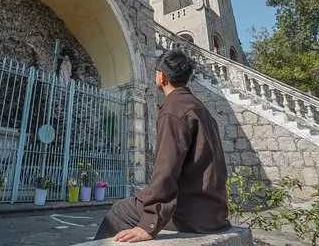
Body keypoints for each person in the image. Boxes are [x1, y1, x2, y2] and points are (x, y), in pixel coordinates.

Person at [94, 49, 230, 242]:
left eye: (157, 71)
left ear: (162, 76)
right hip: (212, 210)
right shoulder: (200, 108)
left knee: (120, 210)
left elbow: (166, 170)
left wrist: (149, 223)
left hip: (192, 214)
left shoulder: (173, 109)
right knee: (136, 200)